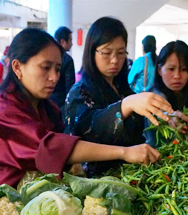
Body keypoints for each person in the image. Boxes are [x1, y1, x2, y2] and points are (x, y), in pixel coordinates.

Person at [0, 28, 160, 188]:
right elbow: (51, 147)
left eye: (57, 69)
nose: (54, 77)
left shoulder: (49, 108)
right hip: (6, 204)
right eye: (45, 68)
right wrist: (125, 153)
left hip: (42, 199)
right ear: (17, 67)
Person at [64, 17, 173, 177]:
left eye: (121, 53)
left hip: (131, 175)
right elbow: (89, 129)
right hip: (97, 182)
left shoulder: (122, 87)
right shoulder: (79, 92)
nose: (115, 60)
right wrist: (125, 105)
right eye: (107, 53)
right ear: (91, 52)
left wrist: (166, 116)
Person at [146, 40, 188, 147]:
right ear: (160, 70)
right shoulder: (154, 97)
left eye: (183, 69)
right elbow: (158, 113)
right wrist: (167, 118)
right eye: (171, 69)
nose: (177, 76)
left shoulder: (186, 95)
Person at [50, 27, 75, 112]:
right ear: (63, 42)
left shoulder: (49, 57)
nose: (72, 44)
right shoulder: (67, 60)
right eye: (70, 40)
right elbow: (69, 86)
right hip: (61, 105)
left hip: (47, 102)